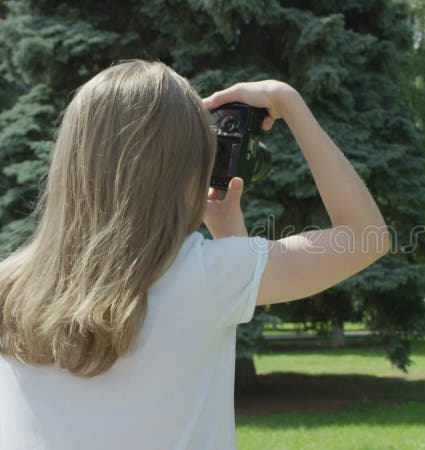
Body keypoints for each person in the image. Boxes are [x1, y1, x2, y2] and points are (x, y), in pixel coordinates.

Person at [0, 59, 391, 450]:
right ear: (189, 166)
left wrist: (229, 241)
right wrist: (286, 101)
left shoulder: (9, 286)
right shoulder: (209, 277)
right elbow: (366, 237)